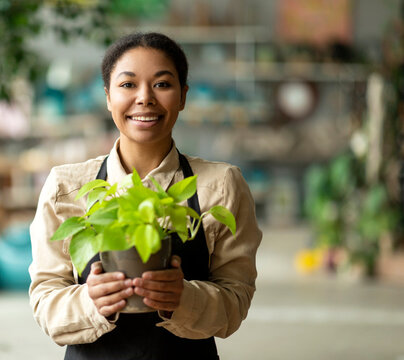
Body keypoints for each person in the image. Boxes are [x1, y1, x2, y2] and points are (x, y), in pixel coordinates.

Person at [29, 32, 262, 360]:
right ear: (108, 96)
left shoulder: (220, 185)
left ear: (183, 96)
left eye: (162, 84)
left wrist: (184, 297)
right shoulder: (66, 187)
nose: (145, 98)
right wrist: (90, 302)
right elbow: (45, 300)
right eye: (127, 85)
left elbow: (235, 302)